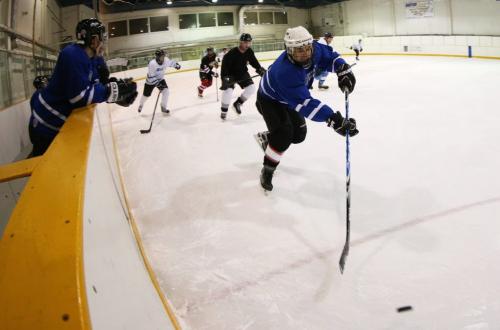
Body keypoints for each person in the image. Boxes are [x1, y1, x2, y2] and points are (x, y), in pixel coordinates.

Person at [255, 26, 358, 191]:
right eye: (298, 50)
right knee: (283, 135)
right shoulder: (285, 72)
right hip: (270, 100)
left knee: (298, 135)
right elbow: (306, 105)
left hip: (291, 97)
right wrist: (333, 119)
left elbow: (330, 57)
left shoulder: (315, 49)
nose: (304, 53)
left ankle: (269, 138)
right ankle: (267, 169)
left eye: (307, 48)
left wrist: (342, 70)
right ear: (289, 50)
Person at [28, 18, 137, 157]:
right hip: (46, 125)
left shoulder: (95, 58)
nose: (104, 42)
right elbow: (79, 97)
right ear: (93, 39)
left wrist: (115, 93)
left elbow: (98, 86)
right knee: (43, 171)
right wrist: (112, 91)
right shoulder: (72, 54)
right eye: (102, 37)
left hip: (58, 123)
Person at [220, 33, 266, 120]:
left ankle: (238, 103)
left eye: (249, 43)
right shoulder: (231, 54)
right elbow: (224, 66)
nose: (248, 45)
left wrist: (259, 69)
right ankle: (224, 111)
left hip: (242, 73)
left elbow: (253, 61)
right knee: (228, 91)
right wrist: (224, 78)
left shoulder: (249, 51)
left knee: (251, 88)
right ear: (241, 42)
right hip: (230, 74)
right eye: (245, 42)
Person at [137, 49, 181, 114]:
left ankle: (163, 107)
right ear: (157, 57)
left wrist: (176, 65)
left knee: (166, 91)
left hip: (160, 79)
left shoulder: (165, 60)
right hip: (150, 82)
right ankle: (141, 104)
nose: (163, 57)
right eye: (162, 56)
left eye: (163, 56)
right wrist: (158, 84)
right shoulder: (152, 64)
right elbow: (151, 76)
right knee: (146, 96)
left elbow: (171, 63)